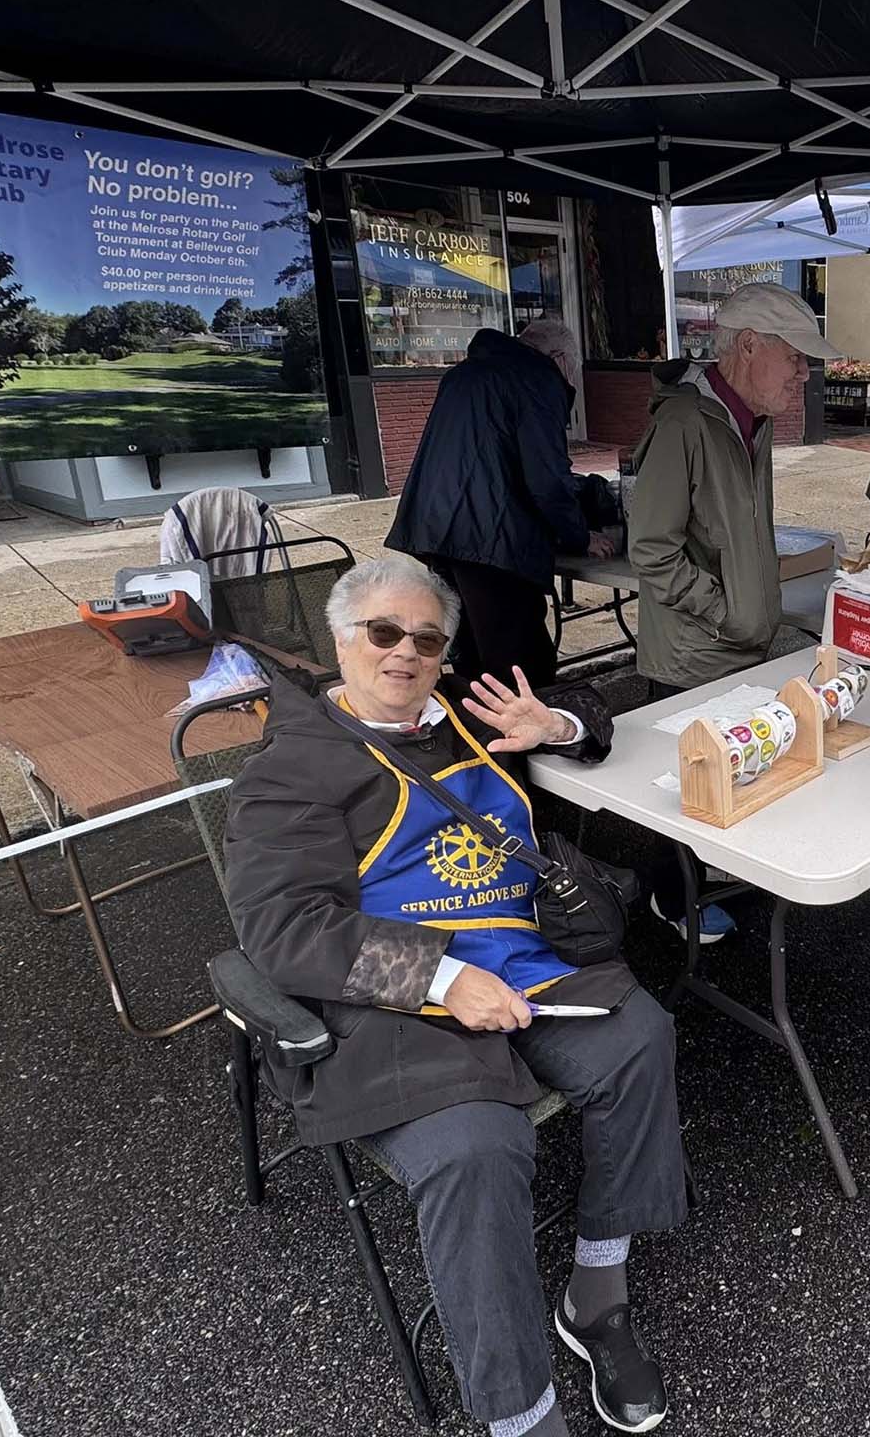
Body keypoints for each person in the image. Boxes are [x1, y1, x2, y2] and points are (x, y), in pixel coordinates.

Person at [222, 555, 685, 1437]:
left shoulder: (469, 712)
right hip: (388, 995)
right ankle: (521, 1415)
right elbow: (280, 927)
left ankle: (596, 1294)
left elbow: (596, 713)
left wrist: (553, 723)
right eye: (383, 633)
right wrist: (439, 977)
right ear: (341, 641)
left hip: (525, 958)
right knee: (477, 1146)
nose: (405, 652)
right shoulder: (294, 766)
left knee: (639, 1036)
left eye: (427, 640)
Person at [627, 282, 844, 945]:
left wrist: (754, 609)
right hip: (693, 649)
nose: (804, 373)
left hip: (738, 639)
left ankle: (706, 876)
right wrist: (727, 611)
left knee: (734, 765)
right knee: (681, 784)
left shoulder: (753, 420)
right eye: (796, 357)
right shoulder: (684, 424)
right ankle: (671, 899)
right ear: (749, 346)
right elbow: (651, 550)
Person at [386, 316, 614, 690]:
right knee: (520, 664)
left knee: (472, 653)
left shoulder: (464, 374)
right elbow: (547, 477)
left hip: (437, 528)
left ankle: (475, 725)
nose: (570, 380)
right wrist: (580, 535)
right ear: (558, 358)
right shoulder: (536, 377)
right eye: (571, 372)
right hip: (490, 537)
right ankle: (524, 728)